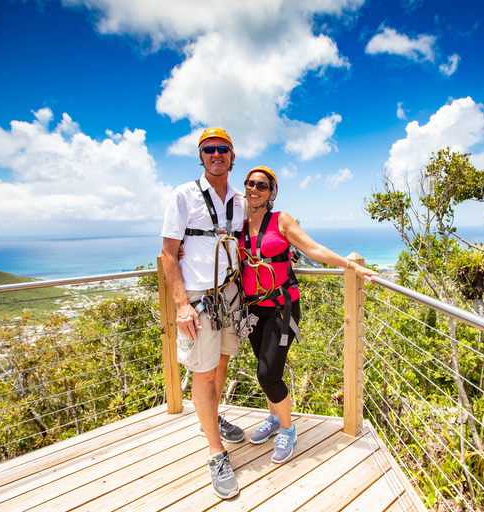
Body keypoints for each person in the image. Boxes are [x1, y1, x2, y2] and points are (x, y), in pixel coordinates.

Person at [238, 166, 378, 464]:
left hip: (281, 308)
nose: (254, 189)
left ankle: (288, 429)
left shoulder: (281, 220)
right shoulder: (238, 224)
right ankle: (274, 420)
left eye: (261, 185)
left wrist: (351, 266)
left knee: (268, 373)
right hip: (253, 309)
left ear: (271, 192)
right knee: (263, 368)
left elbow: (313, 248)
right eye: (249, 183)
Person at [160, 127, 245, 500]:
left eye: (222, 149)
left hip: (229, 290)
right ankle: (215, 453)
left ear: (231, 156)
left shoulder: (240, 201)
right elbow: (168, 251)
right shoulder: (184, 195)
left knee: (223, 360)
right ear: (201, 156)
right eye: (209, 149)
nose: (216, 155)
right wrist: (181, 304)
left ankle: (209, 418)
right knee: (204, 370)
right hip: (197, 296)